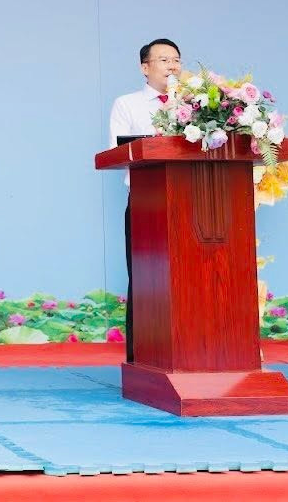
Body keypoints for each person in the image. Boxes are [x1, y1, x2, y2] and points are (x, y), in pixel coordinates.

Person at [108, 38, 182, 363]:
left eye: (176, 60)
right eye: (164, 59)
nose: (172, 65)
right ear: (145, 67)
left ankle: (189, 349)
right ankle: (142, 356)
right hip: (145, 204)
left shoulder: (196, 105)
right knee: (144, 278)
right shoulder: (127, 104)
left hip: (189, 202)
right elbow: (118, 152)